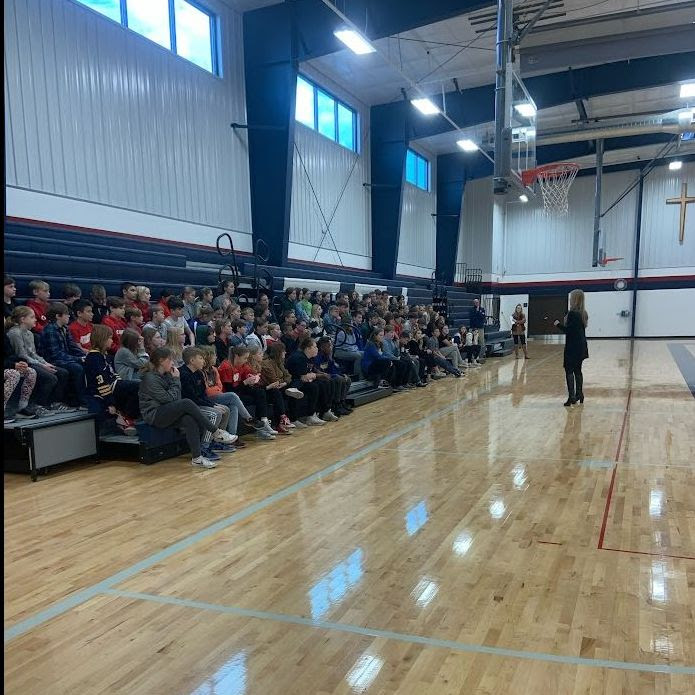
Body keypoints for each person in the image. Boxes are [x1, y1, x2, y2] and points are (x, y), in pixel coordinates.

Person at [138, 347, 237, 468]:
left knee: (189, 420)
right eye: (170, 360)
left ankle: (197, 458)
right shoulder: (150, 378)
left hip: (166, 410)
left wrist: (174, 381)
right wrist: (176, 380)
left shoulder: (167, 374)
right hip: (154, 414)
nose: (173, 363)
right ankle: (216, 431)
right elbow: (170, 399)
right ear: (161, 361)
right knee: (186, 402)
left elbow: (176, 396)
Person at [6, 306, 73, 411]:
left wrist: (45, 363)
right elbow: (22, 355)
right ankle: (38, 405)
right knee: (50, 378)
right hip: (23, 363)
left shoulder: (29, 333)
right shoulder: (15, 333)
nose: (35, 319)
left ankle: (53, 403)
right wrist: (42, 365)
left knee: (62, 372)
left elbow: (33, 353)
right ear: (23, 319)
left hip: (33, 361)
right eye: (32, 317)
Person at [179, 346, 235, 459]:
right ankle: (204, 446)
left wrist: (214, 404)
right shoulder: (183, 374)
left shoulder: (199, 373)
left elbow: (203, 395)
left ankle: (216, 442)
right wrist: (213, 406)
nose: (204, 361)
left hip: (199, 403)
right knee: (216, 414)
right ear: (192, 360)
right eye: (201, 358)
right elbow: (192, 398)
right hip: (190, 406)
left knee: (225, 410)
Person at [84, 324, 141, 434]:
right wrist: (110, 403)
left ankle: (127, 417)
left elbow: (114, 373)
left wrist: (121, 381)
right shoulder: (93, 358)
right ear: (102, 339)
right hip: (102, 390)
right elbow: (101, 382)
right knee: (137, 386)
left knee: (137, 384)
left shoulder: (105, 355)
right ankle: (127, 417)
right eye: (110, 338)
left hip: (114, 384)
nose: (112, 341)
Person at [200, 346, 256, 444]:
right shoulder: (201, 372)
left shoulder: (214, 369)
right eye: (214, 355)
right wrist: (215, 389)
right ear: (208, 357)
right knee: (232, 396)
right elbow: (206, 391)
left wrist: (215, 389)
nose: (216, 357)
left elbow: (219, 385)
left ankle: (232, 437)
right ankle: (248, 418)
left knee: (233, 406)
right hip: (208, 398)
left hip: (218, 395)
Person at [218, 346, 277, 439]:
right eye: (245, 358)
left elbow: (247, 376)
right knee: (242, 401)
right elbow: (230, 390)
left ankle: (264, 422)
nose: (246, 361)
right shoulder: (226, 366)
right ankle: (249, 420)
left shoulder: (242, 365)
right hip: (228, 394)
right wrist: (245, 382)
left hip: (238, 391)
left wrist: (253, 378)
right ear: (237, 356)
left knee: (260, 393)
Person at [41, 303, 88, 408]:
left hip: (64, 358)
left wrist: (86, 355)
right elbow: (55, 354)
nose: (69, 316)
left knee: (88, 363)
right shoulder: (50, 330)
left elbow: (72, 346)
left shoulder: (65, 328)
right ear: (58, 316)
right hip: (52, 361)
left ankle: (88, 396)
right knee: (77, 368)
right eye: (66, 314)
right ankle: (82, 400)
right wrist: (79, 359)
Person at [286, 337, 334, 426]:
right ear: (308, 348)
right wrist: (313, 375)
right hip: (293, 383)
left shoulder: (310, 357)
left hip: (301, 381)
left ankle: (323, 412)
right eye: (315, 347)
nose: (317, 349)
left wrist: (316, 375)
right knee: (314, 387)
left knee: (324, 383)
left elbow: (311, 372)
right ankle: (307, 416)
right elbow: (304, 377)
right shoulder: (299, 357)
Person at [554, 289, 589, 406]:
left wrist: (558, 324)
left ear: (574, 299)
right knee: (578, 371)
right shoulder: (583, 313)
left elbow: (569, 331)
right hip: (581, 346)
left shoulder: (572, 314)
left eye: (571, 298)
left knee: (569, 370)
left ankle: (571, 397)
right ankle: (580, 394)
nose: (569, 300)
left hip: (572, 347)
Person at [259, 341, 300, 435]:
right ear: (278, 352)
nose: (285, 353)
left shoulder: (279, 362)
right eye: (283, 351)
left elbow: (289, 376)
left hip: (279, 386)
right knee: (277, 392)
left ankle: (283, 421)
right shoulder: (267, 363)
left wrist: (284, 382)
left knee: (292, 385)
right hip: (268, 388)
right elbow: (274, 379)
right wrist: (283, 381)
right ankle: (283, 418)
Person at [4, 328, 38, 419]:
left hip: (7, 366)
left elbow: (10, 354)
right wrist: (13, 364)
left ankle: (21, 408)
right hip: (8, 367)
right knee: (14, 374)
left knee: (31, 372)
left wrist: (22, 362)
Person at [314, 336, 353, 415]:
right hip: (322, 376)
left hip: (330, 375)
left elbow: (333, 368)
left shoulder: (328, 356)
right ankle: (336, 404)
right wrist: (336, 375)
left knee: (347, 379)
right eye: (329, 346)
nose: (331, 348)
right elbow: (319, 371)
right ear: (322, 347)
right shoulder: (317, 357)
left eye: (331, 345)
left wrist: (342, 374)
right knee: (338, 379)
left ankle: (342, 402)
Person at [469, 298, 486, 363]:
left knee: (481, 341)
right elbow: (472, 317)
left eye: (477, 302)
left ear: (479, 302)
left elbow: (483, 317)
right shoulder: (471, 309)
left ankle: (481, 354)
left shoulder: (482, 309)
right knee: (473, 341)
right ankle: (473, 356)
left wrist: (478, 311)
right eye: (475, 302)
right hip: (473, 327)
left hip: (480, 327)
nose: (476, 303)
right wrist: (477, 313)